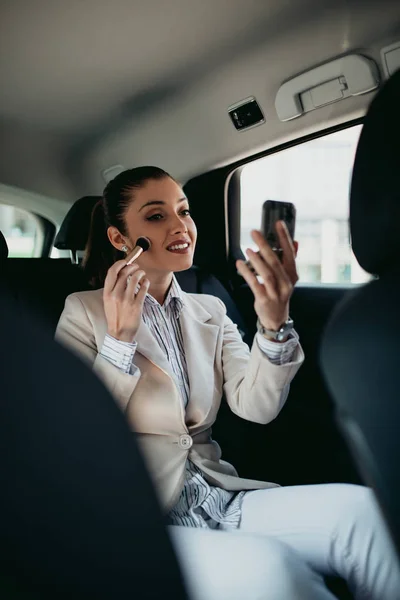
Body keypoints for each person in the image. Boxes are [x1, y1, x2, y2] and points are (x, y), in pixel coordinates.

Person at [56, 167, 400, 599]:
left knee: (362, 512)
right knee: (270, 570)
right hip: (136, 517)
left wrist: (274, 325)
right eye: (157, 216)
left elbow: (257, 406)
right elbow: (79, 436)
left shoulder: (210, 310)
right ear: (119, 238)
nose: (181, 226)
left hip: (218, 495)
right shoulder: (81, 312)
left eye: (184, 212)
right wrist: (119, 340)